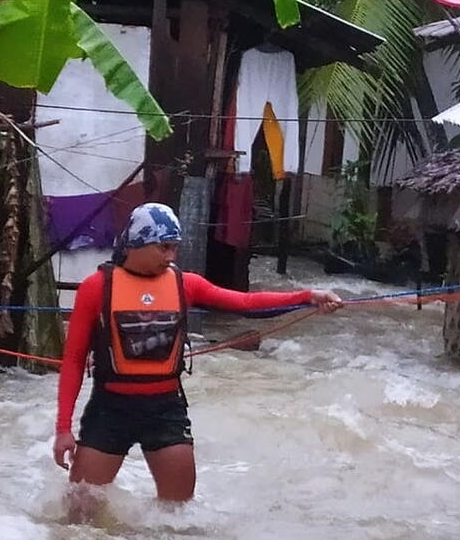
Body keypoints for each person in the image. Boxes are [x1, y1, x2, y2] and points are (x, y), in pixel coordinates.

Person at [53, 202, 342, 509]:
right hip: (109, 410)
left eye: (174, 248)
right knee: (80, 512)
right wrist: (62, 429)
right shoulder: (96, 288)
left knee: (176, 516)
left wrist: (307, 297)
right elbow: (72, 362)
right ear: (136, 244)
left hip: (165, 411)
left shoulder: (186, 284)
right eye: (164, 247)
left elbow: (246, 303)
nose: (171, 257)